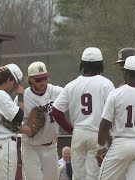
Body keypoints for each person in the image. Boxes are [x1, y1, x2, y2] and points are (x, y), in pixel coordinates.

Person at [51, 47, 115, 180]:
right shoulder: (106, 84)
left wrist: (70, 129)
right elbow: (114, 113)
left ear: (83, 64)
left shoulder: (72, 85)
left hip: (78, 134)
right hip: (98, 134)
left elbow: (56, 111)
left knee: (78, 176)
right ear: (100, 64)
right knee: (94, 175)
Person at [0, 63, 31, 180]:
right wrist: (20, 95)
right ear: (9, 79)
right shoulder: (0, 95)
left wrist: (1, 72)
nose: (13, 88)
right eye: (14, 84)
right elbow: (19, 117)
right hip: (5, 145)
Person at [19, 61, 63, 180]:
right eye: (38, 79)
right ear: (30, 80)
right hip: (31, 147)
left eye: (44, 78)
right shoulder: (24, 97)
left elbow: (73, 97)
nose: (43, 82)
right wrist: (27, 129)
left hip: (51, 146)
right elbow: (14, 124)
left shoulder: (57, 92)